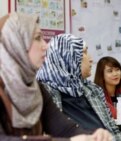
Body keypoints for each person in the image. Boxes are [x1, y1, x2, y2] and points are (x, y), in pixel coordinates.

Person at [0, 13, 112, 141]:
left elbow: (64, 129)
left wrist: (93, 136)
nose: (46, 45)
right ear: (16, 43)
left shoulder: (36, 87)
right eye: (37, 38)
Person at [36, 34, 121, 141]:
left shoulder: (93, 89)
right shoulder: (43, 92)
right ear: (68, 57)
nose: (91, 59)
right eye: (84, 52)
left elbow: (114, 129)